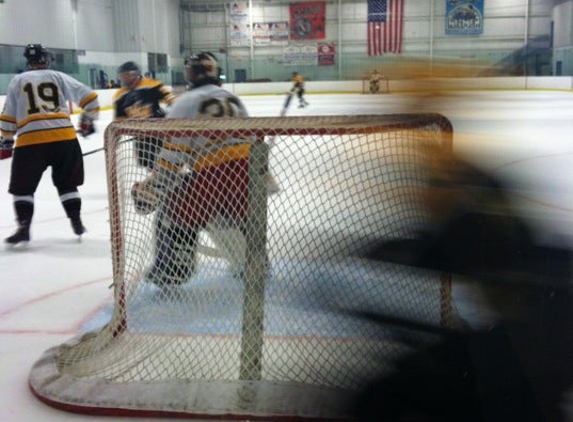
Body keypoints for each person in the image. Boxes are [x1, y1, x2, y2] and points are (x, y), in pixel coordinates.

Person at [130, 51, 251, 286]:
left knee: (172, 209)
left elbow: (173, 155)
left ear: (194, 74)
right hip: (249, 175)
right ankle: (254, 262)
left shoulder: (186, 101)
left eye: (190, 71)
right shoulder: (232, 98)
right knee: (236, 218)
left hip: (214, 177)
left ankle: (174, 269)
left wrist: (154, 186)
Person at [0, 44, 99, 246]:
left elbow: (8, 115)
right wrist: (87, 119)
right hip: (65, 139)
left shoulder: (18, 80)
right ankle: (76, 221)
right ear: (46, 59)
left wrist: (7, 140)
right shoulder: (59, 76)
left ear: (28, 61)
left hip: (31, 142)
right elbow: (90, 98)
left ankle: (24, 227)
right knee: (67, 184)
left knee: (23, 188)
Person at [113, 61, 176, 170]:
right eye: (123, 76)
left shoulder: (151, 84)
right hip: (141, 138)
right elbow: (119, 120)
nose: (124, 78)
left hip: (160, 133)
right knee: (149, 166)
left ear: (135, 74)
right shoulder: (119, 95)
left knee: (170, 162)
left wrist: (174, 108)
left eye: (127, 75)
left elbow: (169, 97)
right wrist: (115, 139)